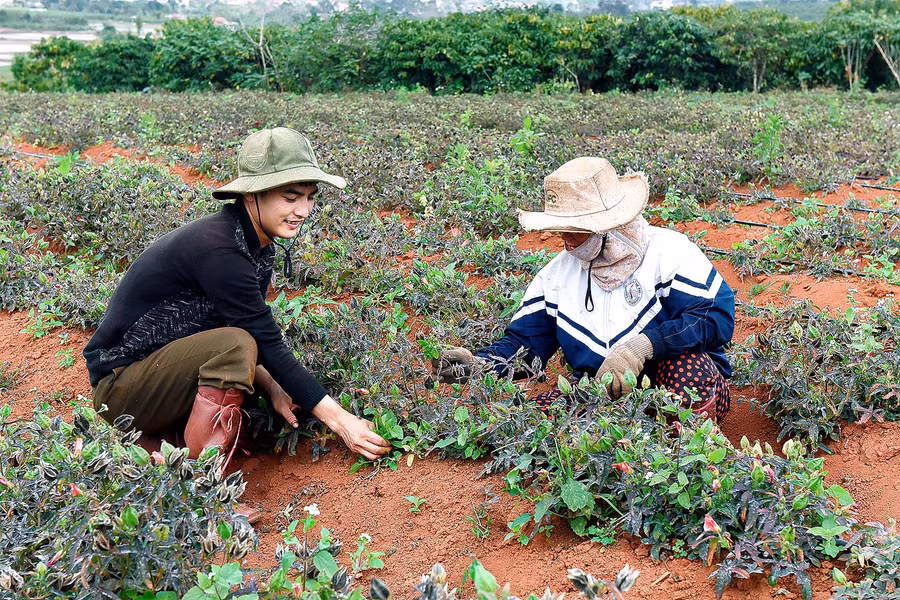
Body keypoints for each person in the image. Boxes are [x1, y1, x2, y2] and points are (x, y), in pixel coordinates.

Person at [84, 128, 391, 521]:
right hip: (122, 388)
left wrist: (274, 385)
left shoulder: (253, 241)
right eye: (290, 197)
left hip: (158, 375)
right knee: (235, 346)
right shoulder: (219, 248)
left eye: (310, 198)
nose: (303, 210)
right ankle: (201, 494)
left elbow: (244, 326)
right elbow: (256, 337)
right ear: (252, 194)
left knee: (252, 386)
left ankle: (163, 447)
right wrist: (340, 420)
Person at [429, 157, 735, 421]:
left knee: (688, 378)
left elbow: (715, 317)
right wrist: (482, 365)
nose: (565, 239)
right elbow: (525, 345)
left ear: (608, 225)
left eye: (576, 228)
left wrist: (641, 348)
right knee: (528, 417)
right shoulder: (555, 278)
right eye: (561, 227)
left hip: (669, 379)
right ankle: (618, 442)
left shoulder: (668, 252)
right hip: (599, 395)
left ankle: (679, 451)